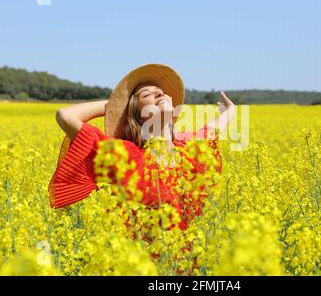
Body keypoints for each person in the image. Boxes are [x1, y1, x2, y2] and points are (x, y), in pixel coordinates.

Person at [48, 64, 236, 233]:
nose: (160, 94)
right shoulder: (123, 155)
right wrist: (112, 106)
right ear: (136, 112)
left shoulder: (189, 151)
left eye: (161, 91)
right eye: (146, 95)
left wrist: (230, 111)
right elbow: (65, 116)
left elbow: (211, 129)